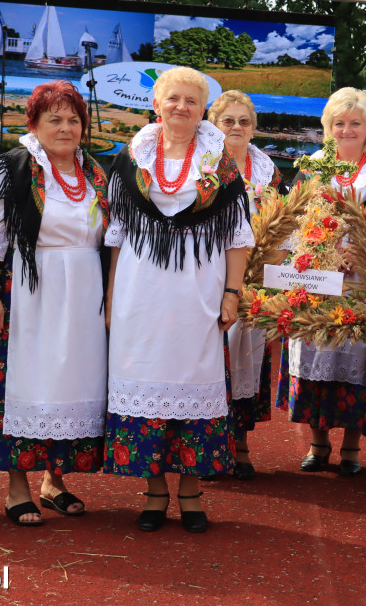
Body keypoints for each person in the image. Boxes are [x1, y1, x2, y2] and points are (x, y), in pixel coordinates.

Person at [104, 67, 253, 533]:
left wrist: (232, 293)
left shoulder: (219, 164)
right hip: (139, 292)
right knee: (144, 379)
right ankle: (154, 492)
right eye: (173, 99)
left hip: (198, 292)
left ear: (202, 109)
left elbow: (238, 238)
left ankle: (190, 491)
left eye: (191, 100)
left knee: (195, 380)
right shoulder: (130, 159)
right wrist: (111, 299)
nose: (181, 107)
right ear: (156, 104)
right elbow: (116, 235)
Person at [0, 80, 109, 526]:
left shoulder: (94, 172)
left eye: (74, 120)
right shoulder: (10, 169)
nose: (66, 128)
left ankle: (55, 481)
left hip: (84, 289)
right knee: (27, 383)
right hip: (31, 289)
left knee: (72, 383)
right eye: (55, 119)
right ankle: (17, 488)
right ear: (33, 123)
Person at [281, 87, 366, 476]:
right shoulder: (314, 164)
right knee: (317, 351)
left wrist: (364, 253)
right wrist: (315, 253)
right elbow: (292, 220)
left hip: (365, 279)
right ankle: (318, 444)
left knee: (357, 358)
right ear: (327, 128)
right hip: (317, 277)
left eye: (354, 123)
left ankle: (350, 448)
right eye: (338, 123)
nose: (346, 130)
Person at [208, 90, 286, 480]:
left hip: (254, 276)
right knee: (211, 357)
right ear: (213, 124)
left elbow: (278, 221)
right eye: (228, 121)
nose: (237, 128)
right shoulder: (202, 164)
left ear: (254, 128)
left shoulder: (267, 169)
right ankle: (206, 445)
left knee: (247, 358)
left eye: (244, 121)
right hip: (207, 273)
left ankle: (238, 442)